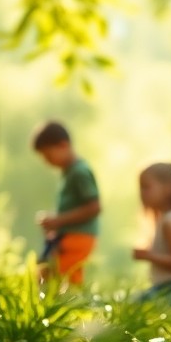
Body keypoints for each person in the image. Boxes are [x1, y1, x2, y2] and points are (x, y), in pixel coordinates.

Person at [32, 121, 100, 286]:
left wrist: (58, 221)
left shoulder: (79, 172)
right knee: (49, 274)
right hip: (68, 236)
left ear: (63, 145)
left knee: (58, 277)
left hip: (79, 237)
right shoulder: (68, 173)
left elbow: (94, 207)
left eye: (48, 155)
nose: (46, 162)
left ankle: (69, 307)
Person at [131, 162, 171, 305]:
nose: (142, 193)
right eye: (140, 188)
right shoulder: (165, 220)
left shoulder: (170, 221)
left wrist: (147, 255)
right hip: (170, 286)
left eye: (146, 187)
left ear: (168, 189)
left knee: (133, 306)